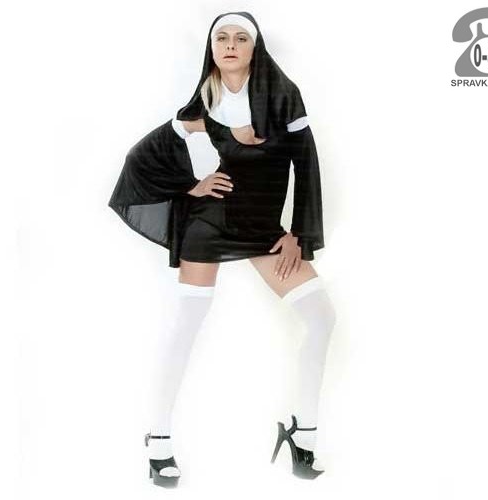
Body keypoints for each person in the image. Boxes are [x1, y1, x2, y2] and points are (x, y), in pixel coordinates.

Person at [108, 11, 337, 487]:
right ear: (212, 49)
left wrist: (298, 233)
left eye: (241, 38)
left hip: (263, 229)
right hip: (209, 225)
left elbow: (307, 164)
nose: (230, 45)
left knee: (320, 317)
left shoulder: (282, 95)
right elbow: (140, 157)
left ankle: (304, 433)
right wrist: (190, 186)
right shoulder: (202, 105)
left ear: (255, 47)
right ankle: (158, 437)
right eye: (222, 38)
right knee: (188, 323)